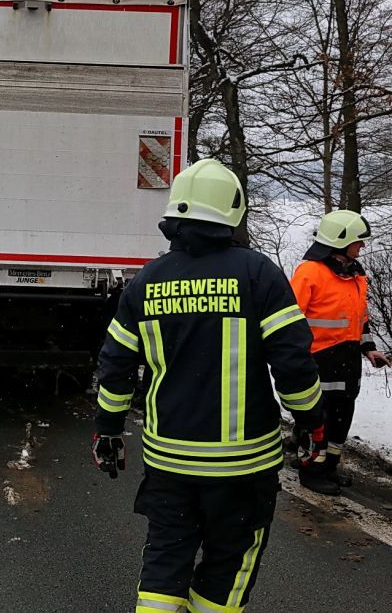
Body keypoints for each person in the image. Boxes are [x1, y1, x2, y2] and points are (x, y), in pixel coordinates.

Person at [93, 159, 324, 612]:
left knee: (165, 559)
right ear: (232, 211)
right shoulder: (258, 274)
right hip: (243, 468)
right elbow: (294, 365)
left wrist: (108, 430)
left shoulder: (145, 281)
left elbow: (115, 367)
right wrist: (311, 421)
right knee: (229, 566)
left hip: (169, 462)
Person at [290, 210, 389, 495]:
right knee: (316, 418)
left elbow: (360, 318)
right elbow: (290, 319)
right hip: (317, 360)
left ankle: (328, 466)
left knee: (341, 416)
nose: (363, 245)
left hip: (347, 361)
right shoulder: (310, 272)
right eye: (359, 241)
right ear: (340, 241)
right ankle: (311, 470)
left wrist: (368, 348)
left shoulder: (356, 274)